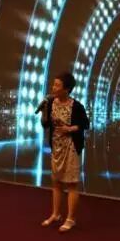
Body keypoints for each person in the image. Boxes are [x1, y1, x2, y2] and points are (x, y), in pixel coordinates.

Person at [40, 71, 90, 232]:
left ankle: (71, 219)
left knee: (71, 184)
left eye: (57, 85)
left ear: (66, 89)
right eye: (53, 84)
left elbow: (85, 124)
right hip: (57, 147)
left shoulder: (76, 106)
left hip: (71, 147)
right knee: (56, 182)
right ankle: (55, 214)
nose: (53, 87)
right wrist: (43, 111)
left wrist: (69, 129)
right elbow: (45, 125)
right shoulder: (50, 103)